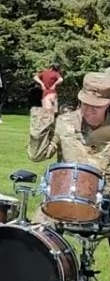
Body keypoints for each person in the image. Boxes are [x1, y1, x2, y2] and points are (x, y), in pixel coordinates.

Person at [27, 72, 110, 221]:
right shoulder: (65, 122)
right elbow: (37, 155)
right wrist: (45, 114)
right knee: (37, 236)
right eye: (86, 103)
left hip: (105, 201)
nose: (89, 109)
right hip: (65, 196)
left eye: (96, 106)